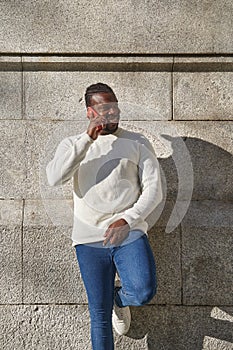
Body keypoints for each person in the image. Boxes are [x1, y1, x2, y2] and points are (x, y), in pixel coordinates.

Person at [46, 82, 163, 350]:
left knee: (144, 291)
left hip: (128, 233)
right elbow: (54, 177)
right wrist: (87, 140)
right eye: (104, 109)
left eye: (114, 107)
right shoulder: (72, 144)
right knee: (98, 315)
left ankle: (120, 300)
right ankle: (109, 303)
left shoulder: (137, 142)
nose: (111, 114)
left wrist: (128, 220)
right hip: (89, 239)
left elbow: (154, 190)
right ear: (90, 112)